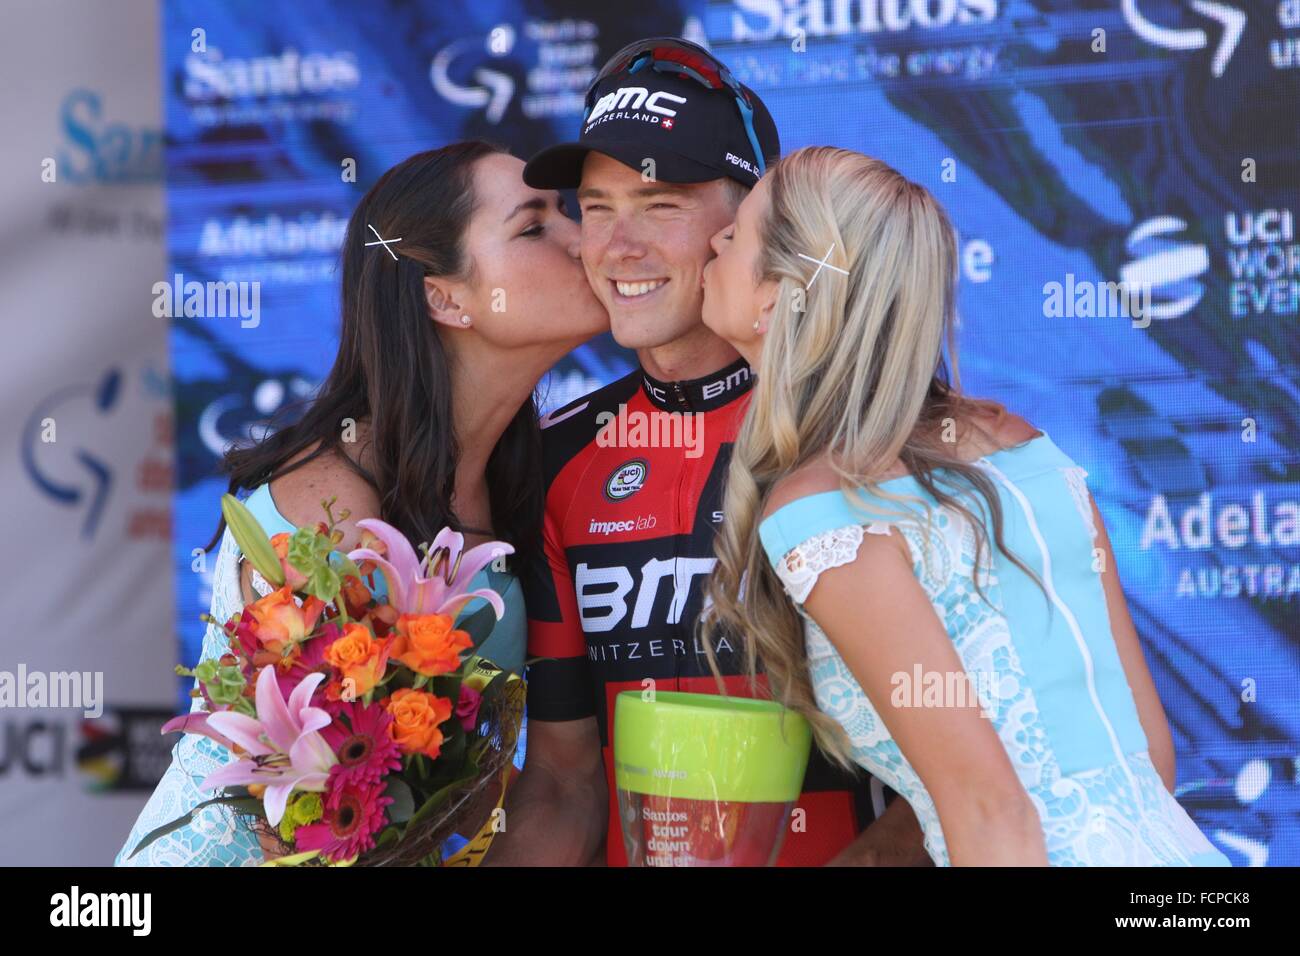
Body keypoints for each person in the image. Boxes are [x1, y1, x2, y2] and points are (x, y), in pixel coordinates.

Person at [698, 145, 1233, 866]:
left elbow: (992, 813)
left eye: (737, 235)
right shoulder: (1016, 441)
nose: (714, 240)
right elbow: (1147, 754)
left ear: (778, 296)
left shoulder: (822, 507)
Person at [487, 38, 929, 866]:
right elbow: (561, 781)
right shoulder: (556, 457)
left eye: (660, 204)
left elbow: (956, 772)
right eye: (597, 206)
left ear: (750, 225)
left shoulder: (864, 432)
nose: (618, 247)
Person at [115, 141, 609, 866]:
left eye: (568, 212)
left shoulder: (529, 471)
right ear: (446, 297)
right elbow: (313, 822)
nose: (583, 237)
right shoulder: (334, 509)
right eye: (535, 227)